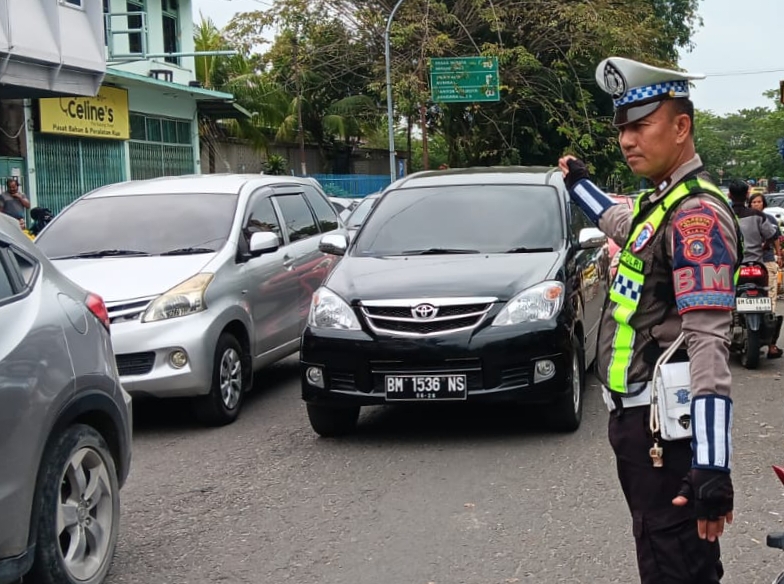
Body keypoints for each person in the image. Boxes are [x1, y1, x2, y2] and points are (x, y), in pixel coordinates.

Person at [558, 57, 741, 584]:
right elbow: (621, 221)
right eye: (621, 127)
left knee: (676, 567)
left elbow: (709, 342)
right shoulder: (660, 203)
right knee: (662, 554)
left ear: (681, 126)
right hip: (640, 429)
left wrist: (711, 467)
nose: (626, 139)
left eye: (641, 125)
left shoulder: (696, 215)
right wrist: (579, 186)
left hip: (670, 436)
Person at [732, 186, 782, 358]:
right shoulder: (758, 216)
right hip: (757, 266)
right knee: (767, 298)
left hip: (734, 267)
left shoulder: (723, 214)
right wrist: (765, 246)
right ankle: (771, 343)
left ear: (729, 195)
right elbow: (772, 234)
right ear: (747, 195)